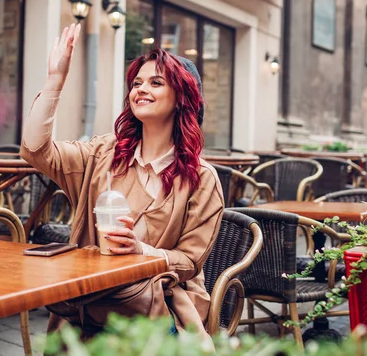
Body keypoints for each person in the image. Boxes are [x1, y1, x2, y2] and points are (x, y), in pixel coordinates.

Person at [20, 23, 224, 338]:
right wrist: (55, 80)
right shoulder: (101, 154)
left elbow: (189, 261)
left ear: (183, 98)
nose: (141, 89)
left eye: (156, 82)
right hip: (88, 303)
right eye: (137, 83)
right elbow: (35, 150)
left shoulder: (201, 178)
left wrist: (141, 250)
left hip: (157, 310)